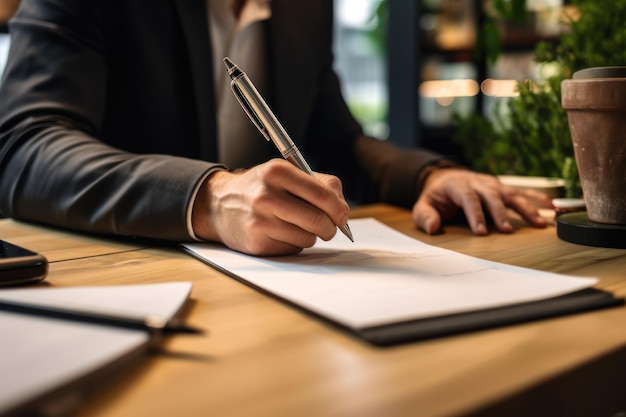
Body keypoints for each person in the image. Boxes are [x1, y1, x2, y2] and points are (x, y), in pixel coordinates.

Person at [0, 0, 549, 256]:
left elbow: (335, 139)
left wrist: (425, 175)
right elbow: (23, 146)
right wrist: (210, 198)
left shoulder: (304, 9)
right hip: (122, 279)